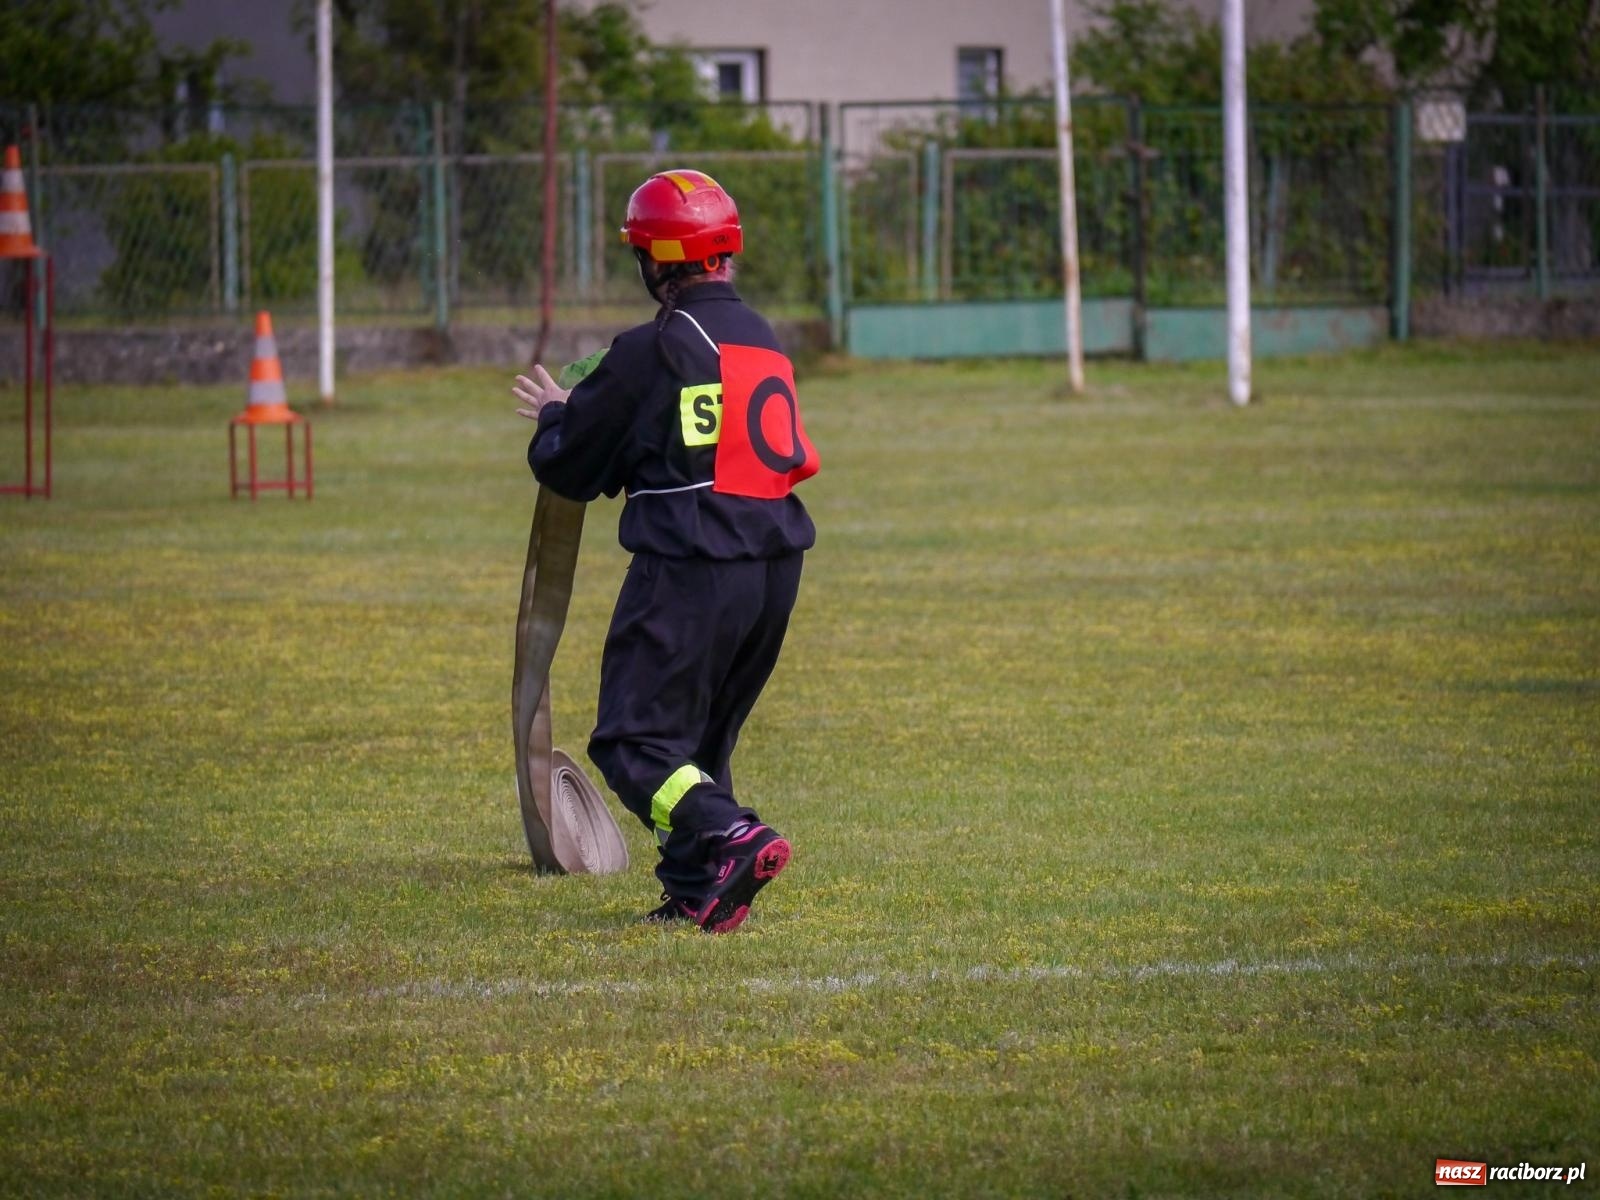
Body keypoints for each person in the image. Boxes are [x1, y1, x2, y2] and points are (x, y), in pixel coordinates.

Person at [511, 168, 819, 934]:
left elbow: (574, 466)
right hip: (774, 565)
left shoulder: (655, 347)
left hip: (692, 567)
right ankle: (698, 890)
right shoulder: (759, 335)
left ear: (656, 259)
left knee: (633, 739)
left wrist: (556, 416)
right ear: (724, 253)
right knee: (699, 743)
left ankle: (730, 835)